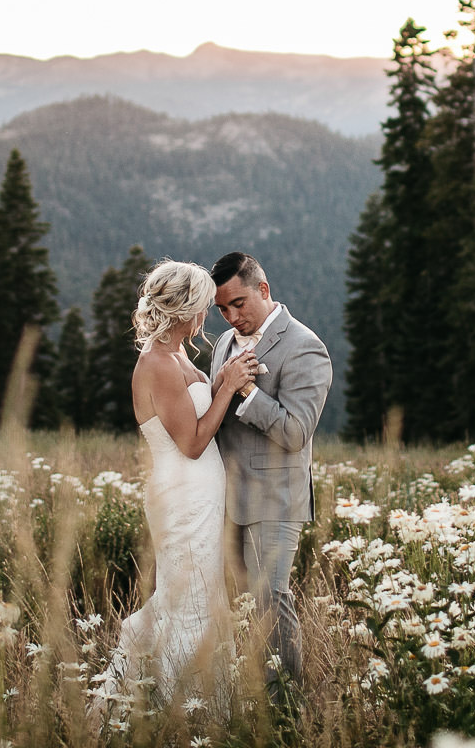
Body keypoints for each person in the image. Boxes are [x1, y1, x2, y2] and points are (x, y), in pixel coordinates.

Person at [94, 259, 261, 713]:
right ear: (185, 310)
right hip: (182, 492)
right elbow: (189, 442)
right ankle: (177, 710)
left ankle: (177, 702)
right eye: (204, 308)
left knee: (195, 592)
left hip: (199, 491)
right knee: (189, 600)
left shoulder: (177, 354)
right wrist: (225, 385)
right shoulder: (157, 364)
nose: (207, 317)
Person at [207, 250, 333, 695]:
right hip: (227, 497)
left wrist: (244, 390)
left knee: (271, 601)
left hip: (276, 499)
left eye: (238, 304)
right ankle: (252, 697)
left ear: (263, 289)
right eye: (222, 309)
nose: (231, 317)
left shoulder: (305, 346)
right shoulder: (223, 344)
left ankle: (285, 710)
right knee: (240, 605)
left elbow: (297, 432)